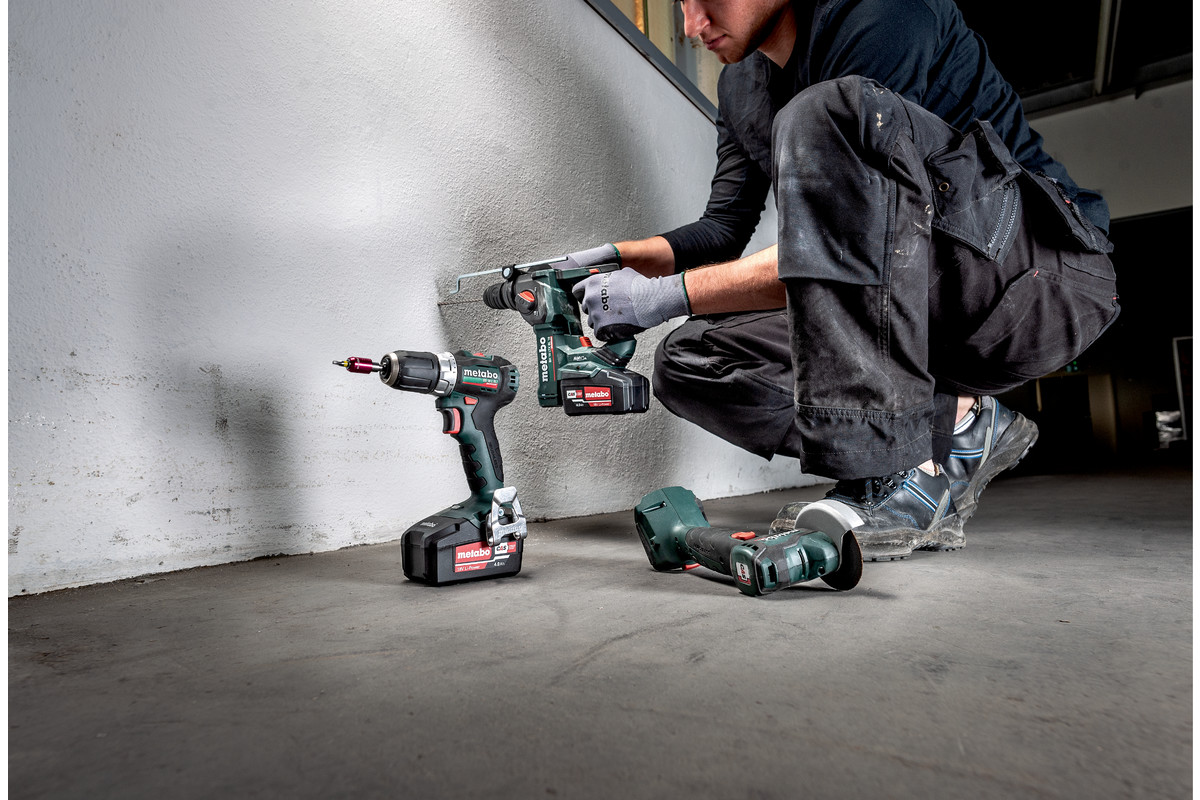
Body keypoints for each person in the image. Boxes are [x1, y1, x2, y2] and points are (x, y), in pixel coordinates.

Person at [567, 0, 1120, 560]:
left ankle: (898, 474)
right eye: (681, 3)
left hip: (1036, 279)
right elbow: (723, 227)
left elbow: (854, 240)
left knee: (829, 110)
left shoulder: (881, 12)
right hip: (912, 306)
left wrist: (665, 295)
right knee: (691, 359)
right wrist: (618, 258)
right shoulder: (741, 87)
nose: (692, 25)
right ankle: (956, 423)